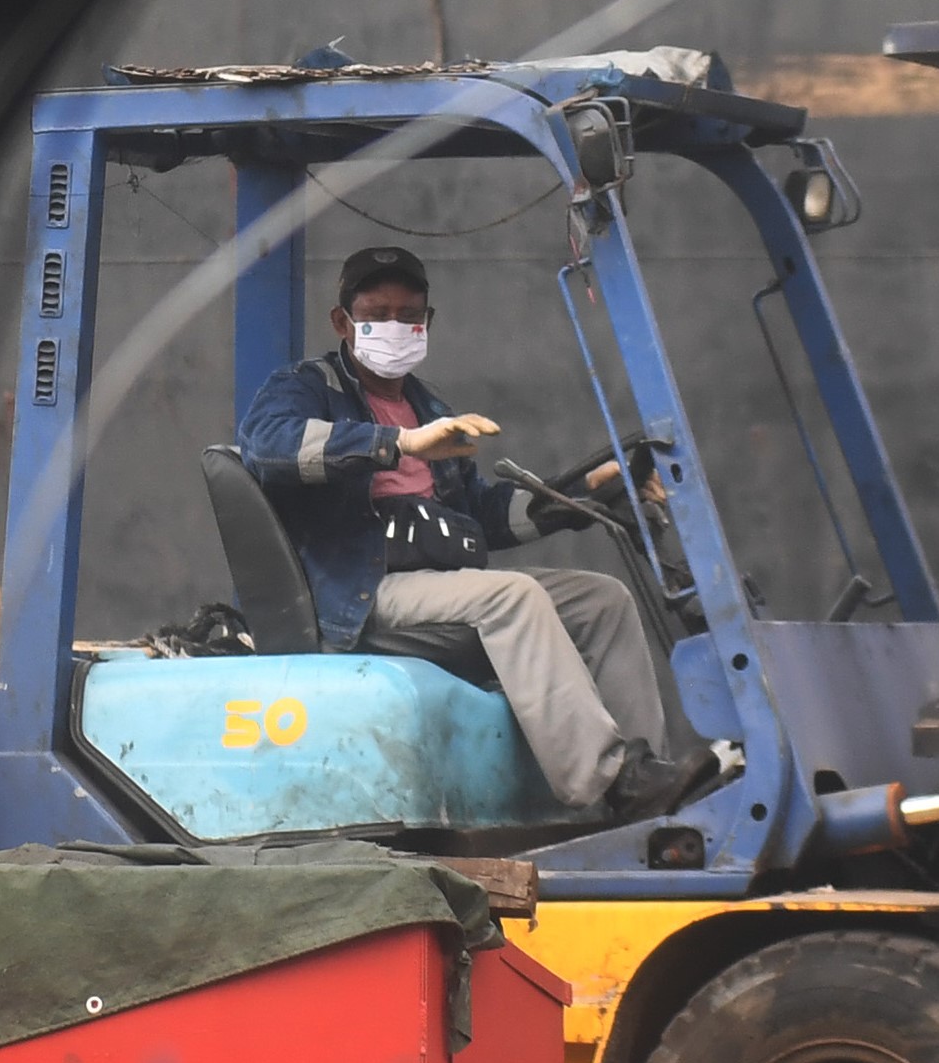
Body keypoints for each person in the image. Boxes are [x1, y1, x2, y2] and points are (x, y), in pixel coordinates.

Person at [236, 243, 719, 819]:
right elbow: (266, 445)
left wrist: (584, 493)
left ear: (427, 323)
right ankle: (610, 776)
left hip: (440, 582)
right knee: (512, 596)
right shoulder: (307, 388)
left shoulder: (428, 404)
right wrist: (395, 445)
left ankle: (650, 789)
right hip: (361, 592)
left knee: (602, 599)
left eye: (408, 315)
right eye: (377, 314)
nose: (395, 326)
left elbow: (483, 514)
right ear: (343, 321)